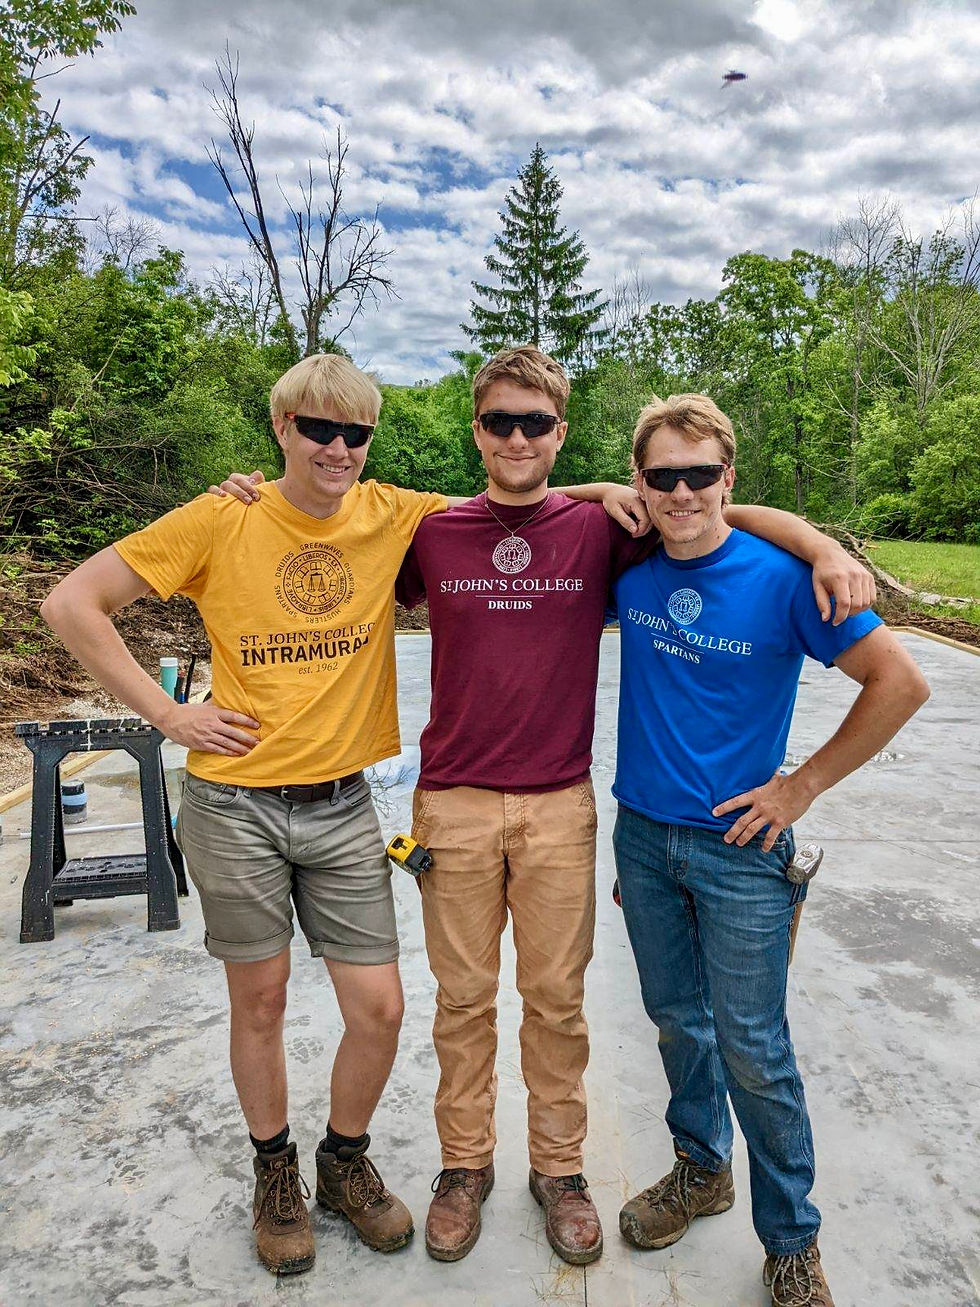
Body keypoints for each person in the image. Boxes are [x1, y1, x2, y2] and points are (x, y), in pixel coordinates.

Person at [217, 346, 874, 1268]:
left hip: (560, 805)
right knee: (463, 1000)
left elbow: (717, 508)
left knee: (557, 1001)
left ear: (560, 430)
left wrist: (824, 544)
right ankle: (464, 1165)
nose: (518, 437)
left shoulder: (603, 526)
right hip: (451, 805)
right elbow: (323, 517)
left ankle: (560, 1170)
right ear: (477, 430)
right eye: (500, 422)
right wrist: (255, 494)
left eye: (536, 422)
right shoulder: (432, 530)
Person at [39, 354, 451, 1276]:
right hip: (234, 806)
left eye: (357, 433)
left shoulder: (393, 513)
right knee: (258, 1000)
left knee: (378, 1008)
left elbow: (531, 494)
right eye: (319, 429)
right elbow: (72, 602)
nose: (339, 449)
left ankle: (343, 1159)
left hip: (345, 804)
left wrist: (676, 498)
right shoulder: (222, 516)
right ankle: (276, 1173)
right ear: (281, 428)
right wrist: (168, 713)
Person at [609, 394, 929, 1306]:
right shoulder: (631, 566)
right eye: (660, 476)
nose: (680, 493)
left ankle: (791, 1239)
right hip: (644, 837)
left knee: (754, 1044)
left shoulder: (786, 578)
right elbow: (577, 497)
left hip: (742, 848)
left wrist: (801, 786)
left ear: (728, 478)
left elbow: (898, 683)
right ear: (640, 482)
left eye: (699, 474)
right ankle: (701, 1168)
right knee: (677, 1019)